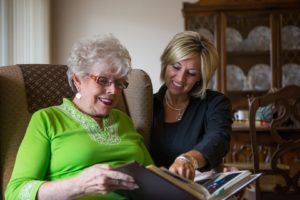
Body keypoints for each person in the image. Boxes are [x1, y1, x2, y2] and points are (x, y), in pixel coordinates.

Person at [5, 34, 153, 200]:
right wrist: (79, 186)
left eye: (119, 83)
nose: (113, 91)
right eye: (103, 80)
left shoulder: (124, 120)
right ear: (77, 80)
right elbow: (16, 193)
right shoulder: (47, 119)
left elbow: (153, 175)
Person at [150, 31, 232, 181]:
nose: (181, 78)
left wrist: (188, 160)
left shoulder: (215, 103)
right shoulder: (147, 105)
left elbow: (218, 139)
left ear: (201, 77)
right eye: (176, 67)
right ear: (165, 64)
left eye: (192, 73)